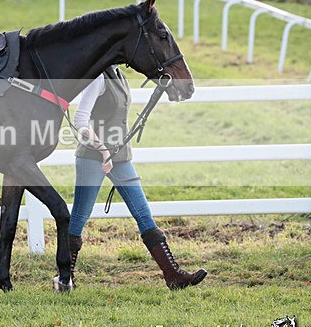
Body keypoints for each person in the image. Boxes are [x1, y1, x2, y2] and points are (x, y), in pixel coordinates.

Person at [66, 65, 207, 290]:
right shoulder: (98, 78)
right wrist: (103, 149)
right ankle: (65, 276)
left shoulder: (119, 75)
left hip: (120, 156)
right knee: (80, 216)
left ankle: (173, 275)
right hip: (93, 156)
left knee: (143, 213)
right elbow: (80, 119)